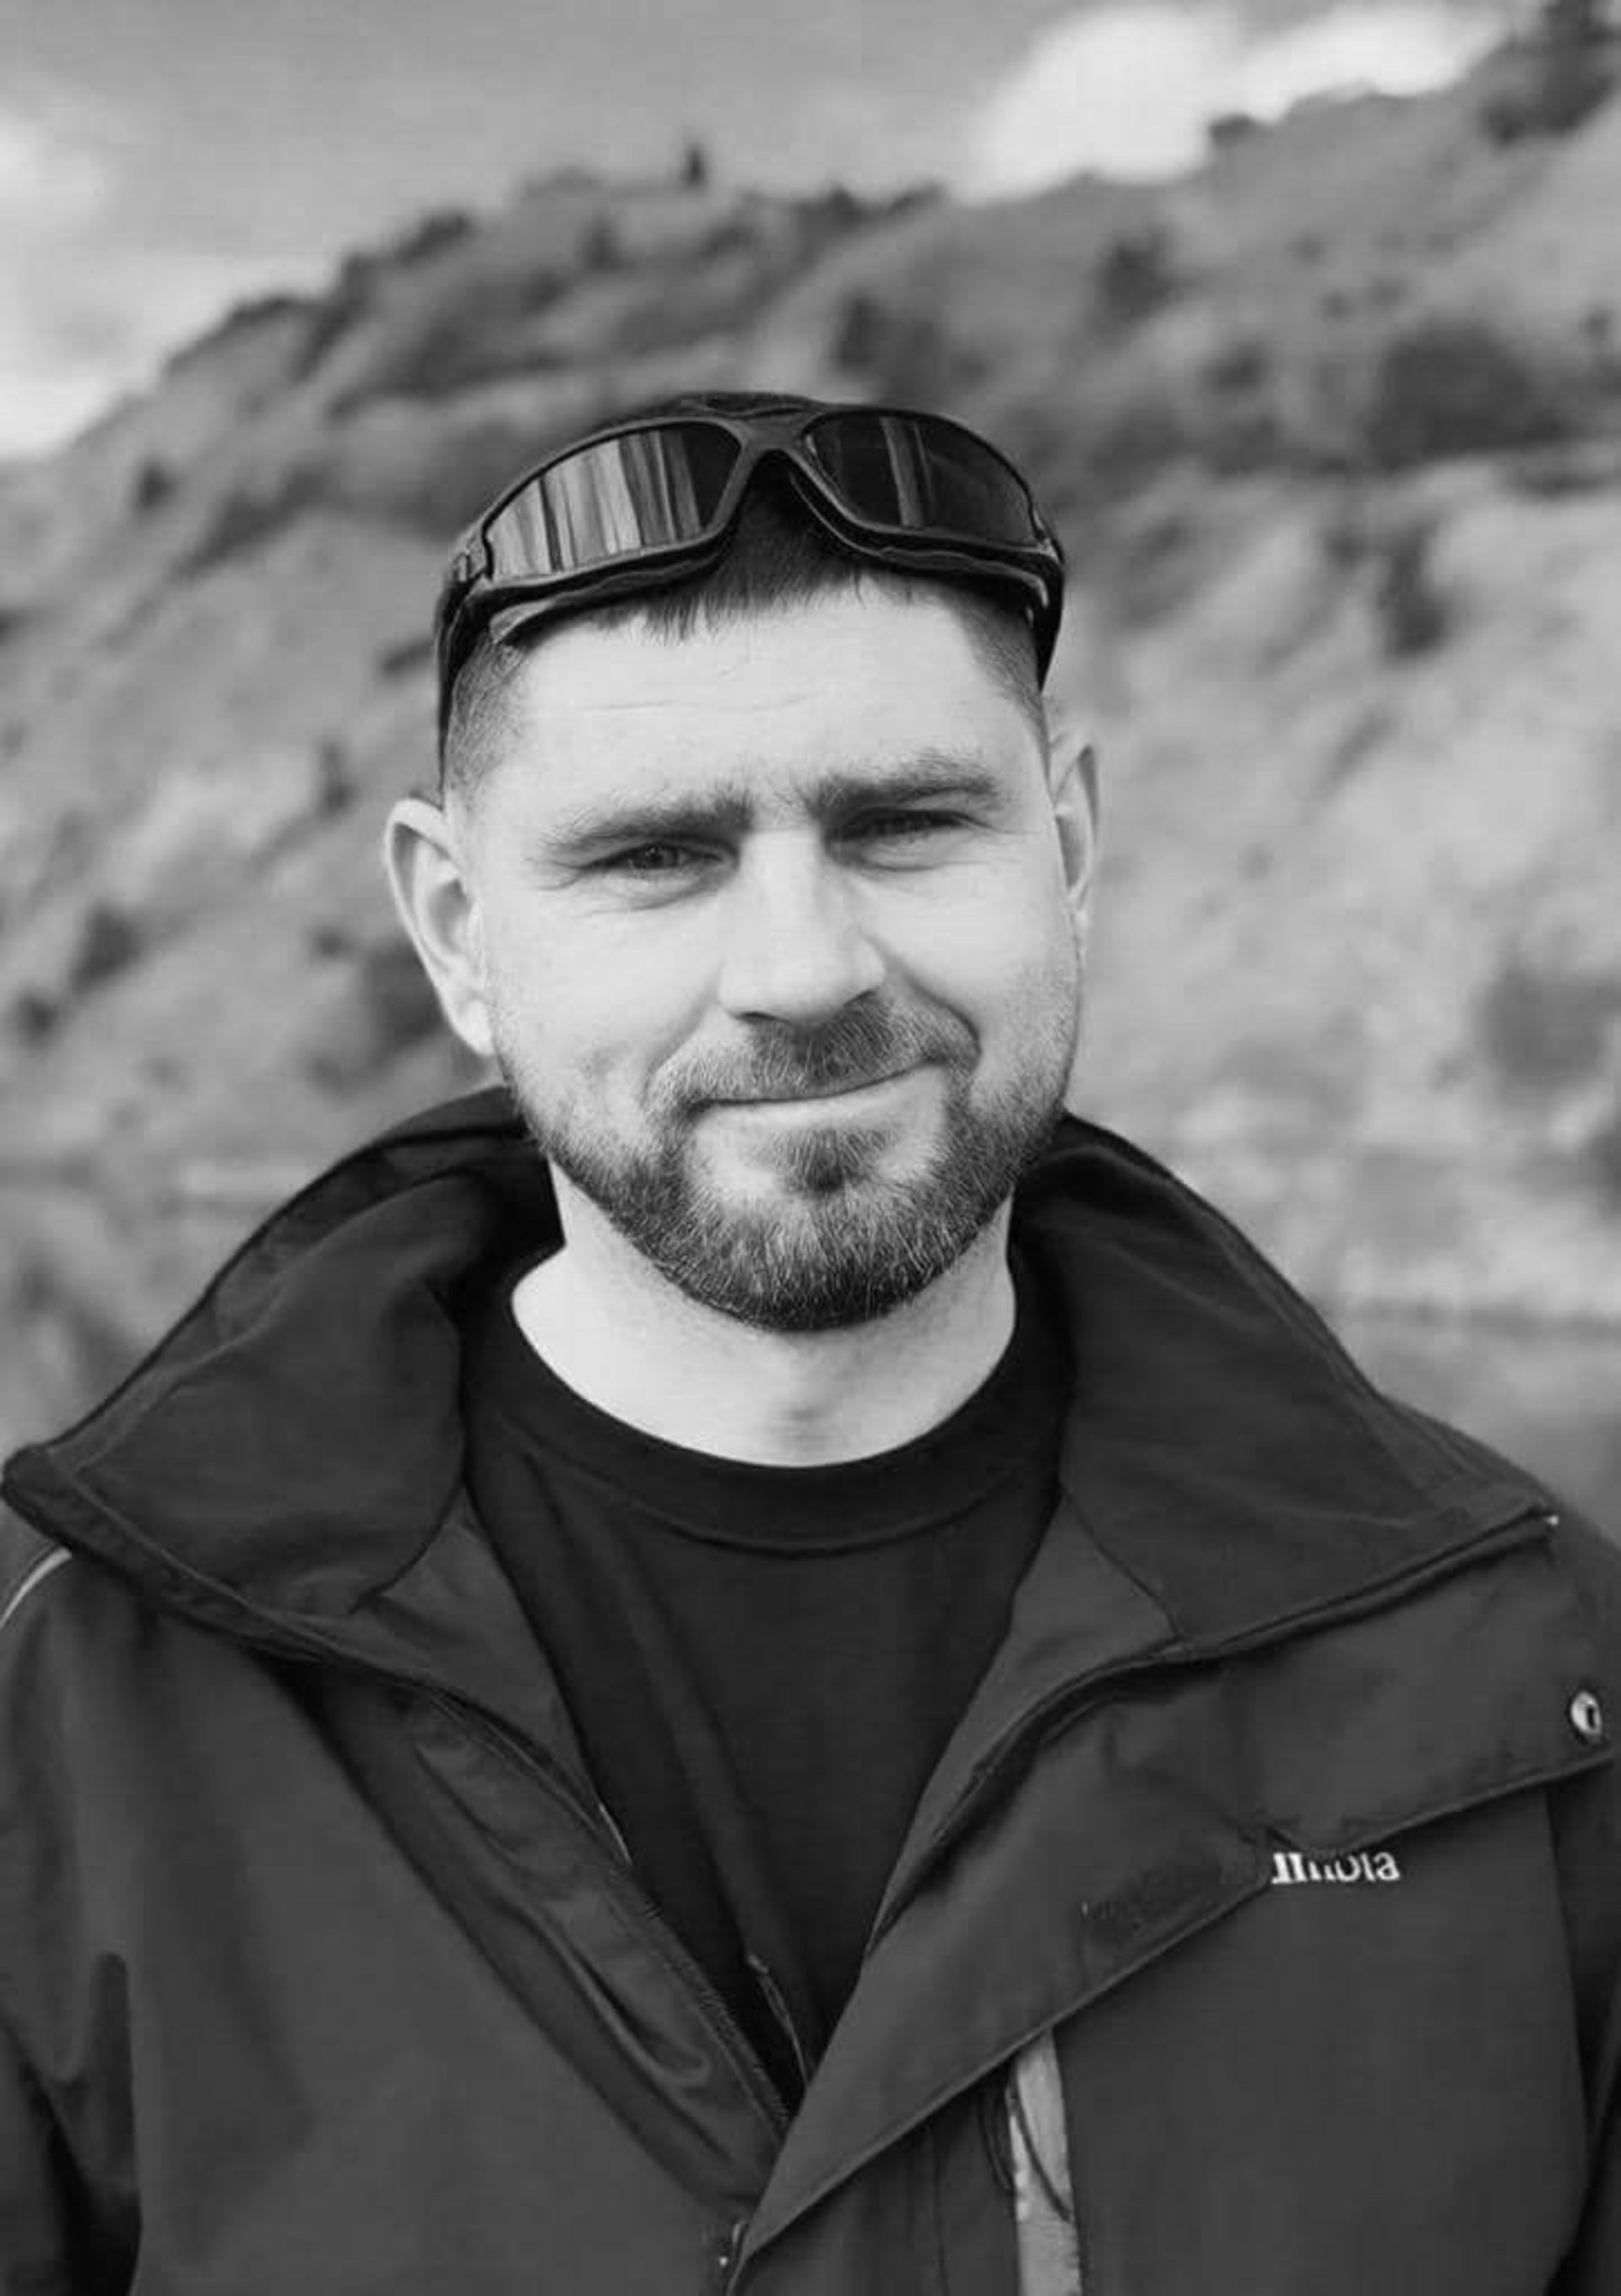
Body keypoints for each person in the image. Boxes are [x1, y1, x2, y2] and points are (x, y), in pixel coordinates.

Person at [1, 389, 1617, 2296]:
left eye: (906, 823)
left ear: (1067, 842)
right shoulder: (85, 1725)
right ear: (455, 931)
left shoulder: (1527, 1681)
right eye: (655, 855)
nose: (803, 967)